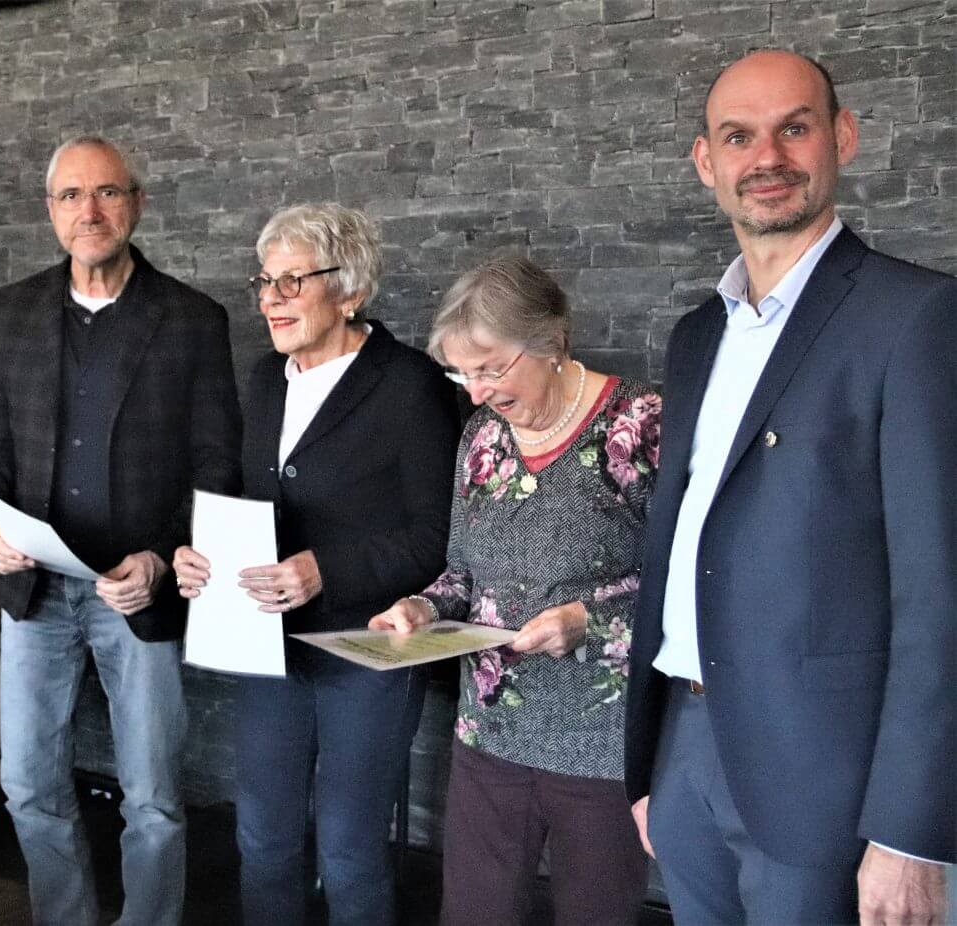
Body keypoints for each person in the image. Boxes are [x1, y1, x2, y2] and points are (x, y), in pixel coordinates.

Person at [623, 49, 955, 923]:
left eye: (794, 128)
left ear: (842, 137)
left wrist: (911, 833)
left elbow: (941, 594)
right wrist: (651, 764)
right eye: (739, 137)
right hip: (685, 747)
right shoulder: (696, 335)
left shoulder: (916, 318)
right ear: (706, 161)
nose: (766, 157)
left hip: (824, 781)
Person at [0, 135, 241, 926]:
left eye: (108, 192)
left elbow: (217, 462)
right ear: (50, 211)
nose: (89, 211)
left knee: (153, 797)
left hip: (136, 594)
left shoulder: (192, 319)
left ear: (137, 204)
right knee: (27, 784)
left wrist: (160, 556)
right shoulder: (10, 311)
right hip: (34, 587)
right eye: (71, 195)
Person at [174, 203, 459, 925]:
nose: (270, 299)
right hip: (267, 645)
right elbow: (248, 499)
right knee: (262, 839)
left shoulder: (411, 384)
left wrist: (325, 569)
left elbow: (438, 537)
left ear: (351, 289)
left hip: (368, 648)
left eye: (292, 281)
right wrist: (200, 550)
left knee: (348, 850)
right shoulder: (265, 379)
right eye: (265, 281)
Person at [369, 256, 658, 925]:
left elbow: (692, 585)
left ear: (550, 341)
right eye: (461, 373)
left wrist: (591, 622)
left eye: (489, 369)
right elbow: (462, 574)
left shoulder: (641, 425)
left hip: (603, 745)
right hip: (489, 734)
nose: (474, 392)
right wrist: (422, 606)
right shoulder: (482, 438)